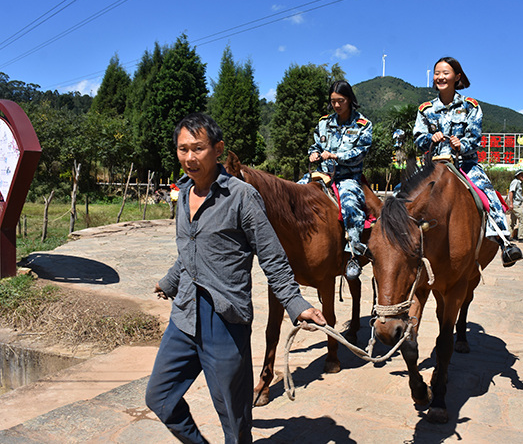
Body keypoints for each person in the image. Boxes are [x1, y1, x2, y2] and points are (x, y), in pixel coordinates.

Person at [145, 113, 326, 444]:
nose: (189, 157)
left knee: (235, 419)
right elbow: (189, 250)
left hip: (225, 321)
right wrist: (169, 282)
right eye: (183, 149)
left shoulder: (242, 196)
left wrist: (296, 303)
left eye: (198, 148)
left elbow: (272, 256)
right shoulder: (183, 193)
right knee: (159, 397)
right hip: (184, 315)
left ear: (218, 150)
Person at [413, 56, 522, 267]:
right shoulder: (425, 109)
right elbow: (418, 138)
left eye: (445, 73)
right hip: (433, 165)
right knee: (401, 194)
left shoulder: (471, 106)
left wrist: (461, 144)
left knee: (488, 195)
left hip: (464, 164)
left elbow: (475, 138)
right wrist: (430, 138)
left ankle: (505, 242)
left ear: (457, 77)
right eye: (437, 73)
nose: (440, 77)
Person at [301, 80, 372, 280]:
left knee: (350, 205)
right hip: (322, 174)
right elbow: (315, 145)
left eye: (341, 100)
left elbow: (360, 152)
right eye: (333, 101)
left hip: (347, 177)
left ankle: (353, 255)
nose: (337, 105)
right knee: (292, 194)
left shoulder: (363, 124)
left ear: (349, 99)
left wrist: (335, 156)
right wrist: (313, 154)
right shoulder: (324, 122)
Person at [508, 170, 523, 243]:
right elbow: (511, 192)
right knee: (522, 221)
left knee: (512, 221)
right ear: (517, 175)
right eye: (521, 174)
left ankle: (509, 236)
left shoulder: (518, 182)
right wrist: (511, 203)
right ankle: (520, 237)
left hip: (516, 204)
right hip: (515, 205)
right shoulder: (515, 182)